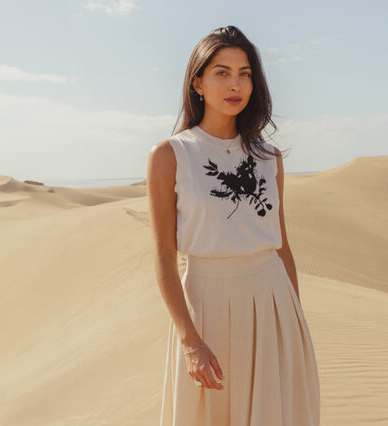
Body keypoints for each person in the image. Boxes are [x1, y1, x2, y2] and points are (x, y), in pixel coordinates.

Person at [147, 25, 320, 426]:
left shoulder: (269, 157)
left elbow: (281, 246)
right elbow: (162, 254)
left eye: (244, 73)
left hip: (274, 302)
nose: (235, 84)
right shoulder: (171, 155)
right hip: (207, 305)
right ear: (198, 83)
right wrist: (190, 341)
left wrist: (295, 320)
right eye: (221, 72)